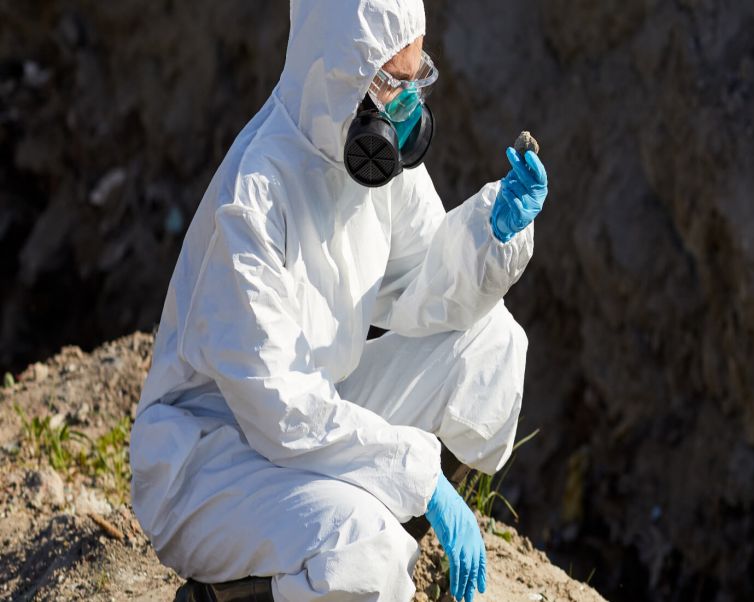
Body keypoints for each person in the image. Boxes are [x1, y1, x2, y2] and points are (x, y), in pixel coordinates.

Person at [126, 1, 549, 601]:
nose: (409, 106)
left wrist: (492, 236)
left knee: (491, 345)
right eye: (394, 84)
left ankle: (368, 555)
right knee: (365, 549)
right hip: (209, 464)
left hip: (311, 420)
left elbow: (423, 285)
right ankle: (237, 594)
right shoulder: (253, 201)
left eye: (417, 79)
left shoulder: (375, 164)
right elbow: (279, 406)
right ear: (341, 77)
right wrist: (420, 476)